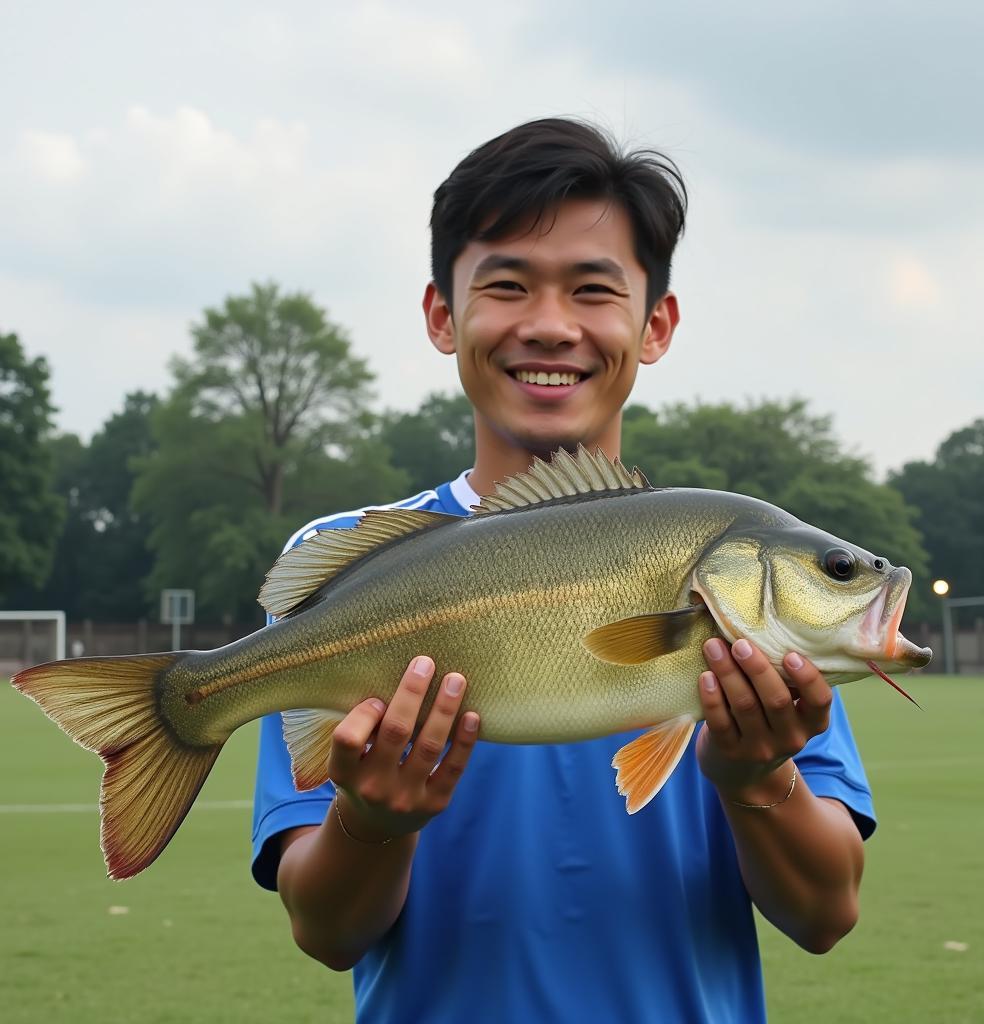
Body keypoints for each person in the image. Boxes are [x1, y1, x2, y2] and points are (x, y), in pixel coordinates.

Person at [251, 118, 874, 1024]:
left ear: (655, 323)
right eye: (506, 285)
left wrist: (755, 780)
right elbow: (325, 928)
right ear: (441, 314)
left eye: (593, 290)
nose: (550, 326)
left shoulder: (743, 578)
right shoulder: (343, 560)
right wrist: (373, 821)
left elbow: (825, 912)